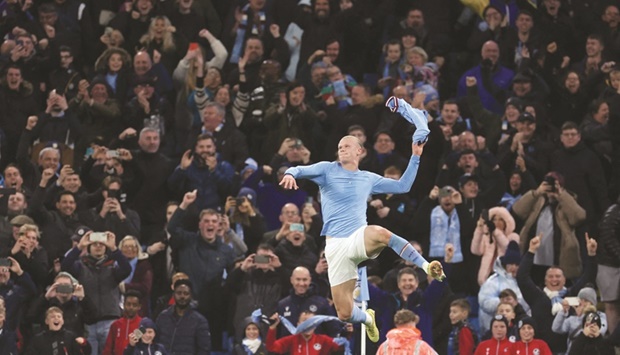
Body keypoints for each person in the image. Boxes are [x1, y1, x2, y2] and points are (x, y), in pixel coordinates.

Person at [280, 97, 442, 343]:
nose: (342, 148)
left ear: (360, 151)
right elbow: (299, 169)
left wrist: (415, 155)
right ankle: (367, 318)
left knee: (379, 233)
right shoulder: (327, 169)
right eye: (340, 146)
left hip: (357, 236)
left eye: (348, 145)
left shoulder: (368, 178)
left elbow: (403, 186)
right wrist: (291, 173)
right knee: (344, 313)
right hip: (335, 246)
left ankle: (425, 265)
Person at [156, 279, 211, 354]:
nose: (182, 296)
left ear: (191, 296)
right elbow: (154, 340)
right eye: (179, 293)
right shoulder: (163, 316)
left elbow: (204, 349)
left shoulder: (200, 321)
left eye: (186, 293)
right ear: (173, 294)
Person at [265, 310, 342, 354]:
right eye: (305, 322)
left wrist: (347, 332)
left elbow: (341, 347)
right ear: (298, 324)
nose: (308, 326)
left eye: (311, 322)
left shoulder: (323, 340)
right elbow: (272, 347)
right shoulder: (291, 340)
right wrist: (272, 327)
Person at [25, 306, 91, 355]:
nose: (56, 318)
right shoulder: (38, 339)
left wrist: (84, 344)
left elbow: (86, 353)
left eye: (59, 316)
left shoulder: (70, 337)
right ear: (47, 321)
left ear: (62, 321)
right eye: (52, 317)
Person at [102, 290, 143, 355]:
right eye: (128, 304)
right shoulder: (116, 325)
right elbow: (108, 349)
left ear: (139, 306)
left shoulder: (143, 324)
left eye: (134, 305)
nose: (131, 307)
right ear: (124, 304)